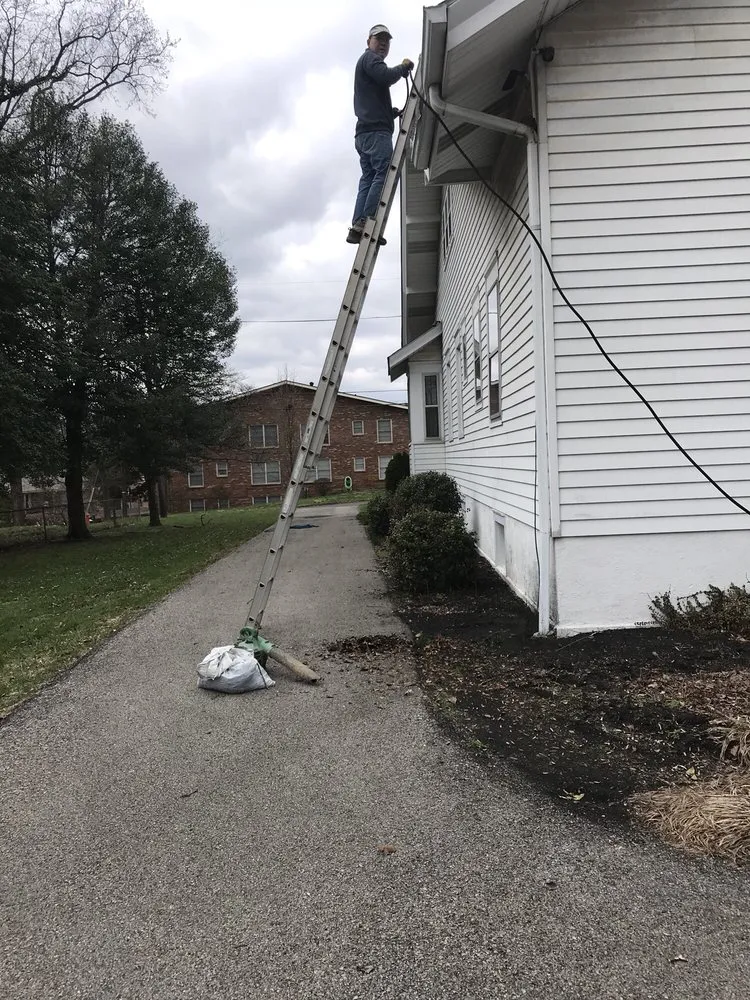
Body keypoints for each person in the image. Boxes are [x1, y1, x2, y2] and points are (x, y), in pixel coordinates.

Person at [347, 24, 413, 246]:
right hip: (375, 133)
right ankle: (368, 222)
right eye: (379, 39)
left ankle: (358, 224)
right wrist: (403, 68)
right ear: (369, 41)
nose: (383, 43)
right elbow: (385, 76)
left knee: (368, 177)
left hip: (365, 133)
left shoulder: (366, 62)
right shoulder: (371, 59)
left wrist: (391, 113)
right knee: (382, 173)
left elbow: (373, 97)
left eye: (387, 40)